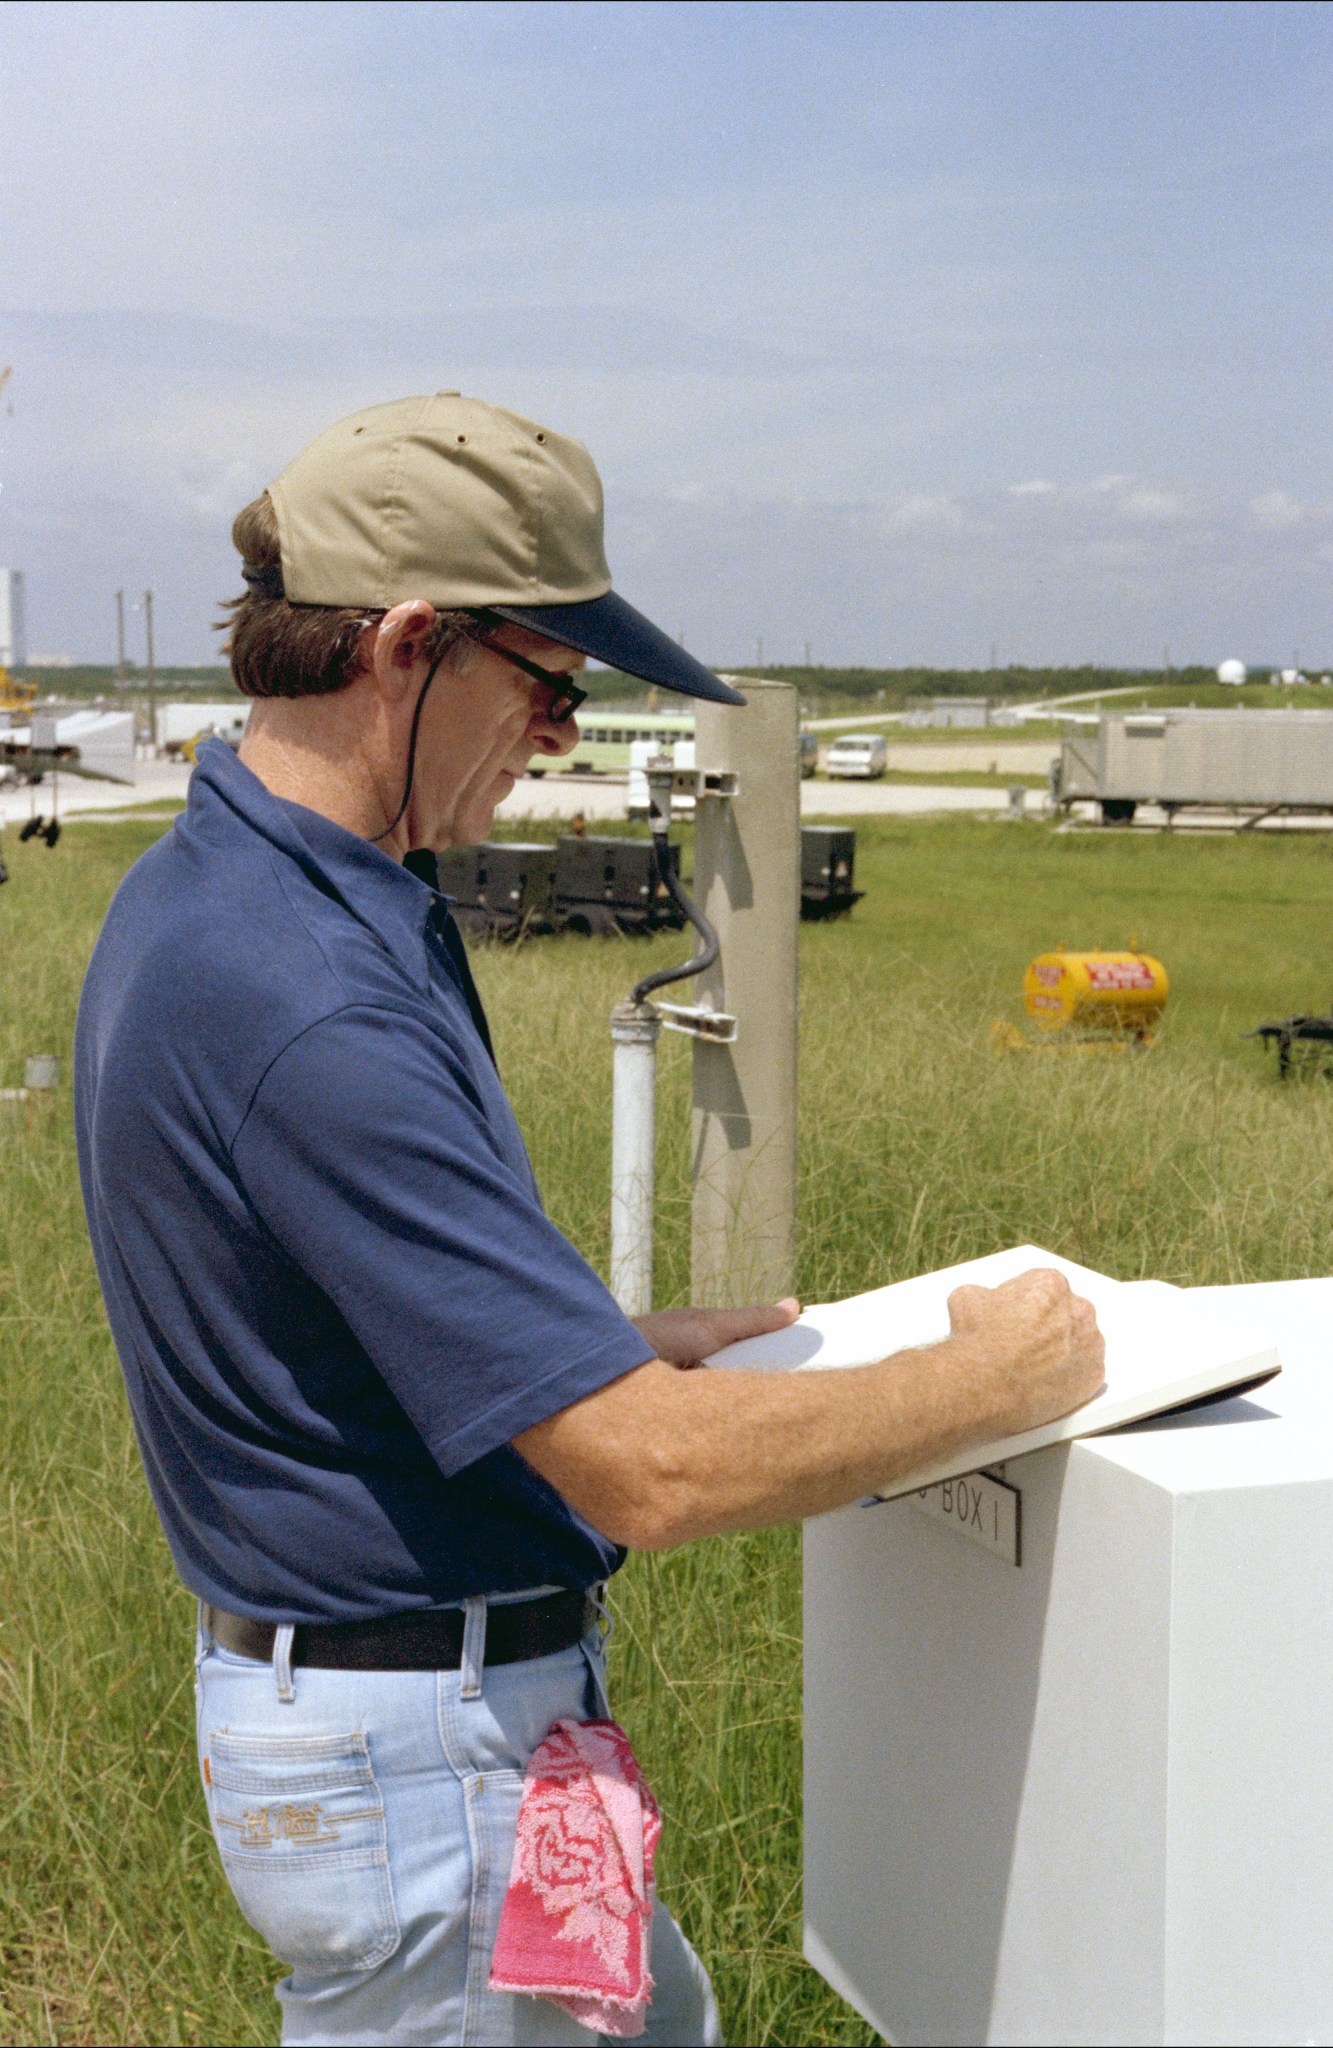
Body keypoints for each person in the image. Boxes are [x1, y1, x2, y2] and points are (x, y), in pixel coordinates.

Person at [74, 392, 1103, 2047]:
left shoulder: (235, 885)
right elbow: (654, 1472)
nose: (557, 737)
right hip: (427, 1770)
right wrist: (1003, 1378)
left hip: (425, 1744)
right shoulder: (311, 994)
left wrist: (582, 1350)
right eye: (547, 684)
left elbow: (304, 1311)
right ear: (407, 642)